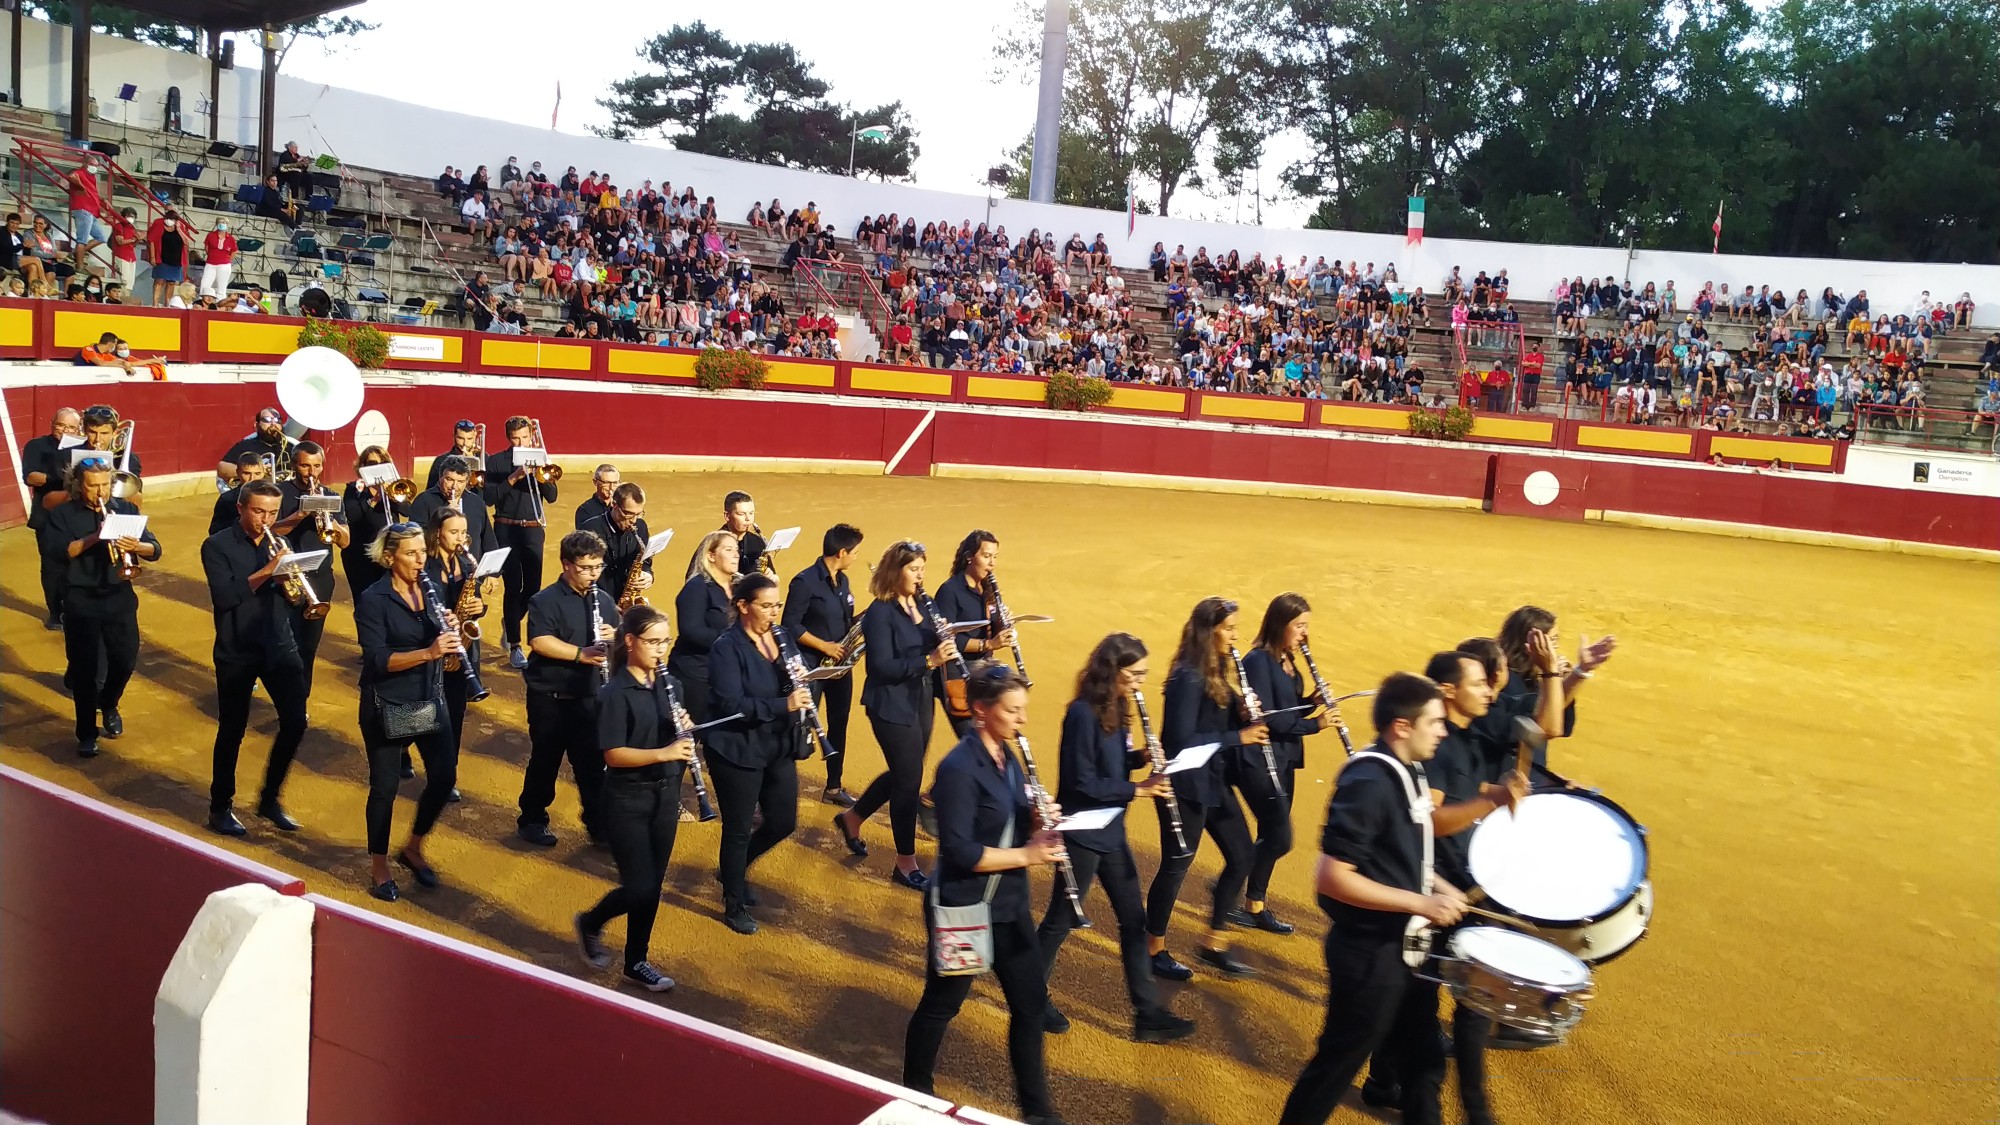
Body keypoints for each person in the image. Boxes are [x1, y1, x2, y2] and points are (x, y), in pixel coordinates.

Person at [1277, 672, 1467, 1125]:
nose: (1443, 731)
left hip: (1404, 949)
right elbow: (1332, 878)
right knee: (1338, 1063)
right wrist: (1422, 904)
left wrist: (1440, 888)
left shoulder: (1410, 770)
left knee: (1424, 1059)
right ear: (1402, 727)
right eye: (1435, 722)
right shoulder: (1370, 781)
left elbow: (1402, 855)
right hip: (1370, 956)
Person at [902, 663, 1068, 1125]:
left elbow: (1007, 824)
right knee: (942, 1005)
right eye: (1012, 710)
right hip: (965, 908)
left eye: (1022, 709)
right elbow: (962, 852)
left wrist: (1037, 823)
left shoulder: (1008, 757)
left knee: (1030, 1005)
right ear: (980, 710)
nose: (1022, 719)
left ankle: (1038, 1112)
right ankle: (914, 1093)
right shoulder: (958, 769)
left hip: (1009, 907)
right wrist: (1030, 855)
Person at [1035, 633, 1197, 1043]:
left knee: (1133, 921)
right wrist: (1138, 789)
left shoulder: (1120, 706)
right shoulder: (1081, 714)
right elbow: (1082, 781)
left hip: (1110, 830)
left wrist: (1139, 757)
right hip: (1082, 833)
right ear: (1112, 670)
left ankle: (1148, 1014)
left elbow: (1112, 761)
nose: (1140, 682)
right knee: (1060, 921)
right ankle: (1031, 998)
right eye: (1135, 674)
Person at [574, 603, 695, 993]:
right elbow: (613, 755)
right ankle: (591, 922)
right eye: (653, 642)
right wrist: (665, 753)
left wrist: (685, 731)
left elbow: (673, 738)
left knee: (653, 886)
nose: (661, 649)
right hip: (627, 801)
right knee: (640, 886)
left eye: (666, 641)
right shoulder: (614, 693)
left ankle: (636, 961)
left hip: (665, 796)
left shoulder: (671, 686)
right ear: (630, 641)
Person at [1143, 596, 1265, 981]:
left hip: (1212, 780)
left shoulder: (1217, 667)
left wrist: (1241, 711)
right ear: (1208, 631)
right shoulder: (1188, 676)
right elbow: (1180, 742)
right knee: (1176, 865)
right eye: (1229, 629)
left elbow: (1214, 719)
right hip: (1183, 785)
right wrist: (1237, 736)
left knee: (1243, 856)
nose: (1235, 636)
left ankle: (1213, 943)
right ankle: (1153, 949)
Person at [833, 540, 958, 890]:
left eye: (922, 569)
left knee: (907, 772)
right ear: (894, 571)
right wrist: (929, 660)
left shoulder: (924, 603)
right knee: (909, 781)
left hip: (920, 699)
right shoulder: (880, 613)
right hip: (889, 704)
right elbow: (881, 667)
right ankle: (905, 863)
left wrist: (945, 638)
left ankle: (853, 817)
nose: (920, 576)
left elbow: (932, 646)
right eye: (913, 569)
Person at [354, 522, 462, 902]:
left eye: (423, 552)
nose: (421, 561)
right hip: (390, 705)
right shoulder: (373, 600)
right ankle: (379, 865)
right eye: (411, 554)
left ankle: (413, 847)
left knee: (444, 777)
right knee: (385, 788)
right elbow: (378, 660)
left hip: (429, 700)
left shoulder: (431, 588)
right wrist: (429, 652)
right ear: (389, 558)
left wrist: (455, 626)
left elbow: (442, 638)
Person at [199, 480, 310, 836]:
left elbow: (294, 598)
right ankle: (220, 808)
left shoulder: (280, 543)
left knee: (296, 722)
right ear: (241, 509)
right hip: (237, 650)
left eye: (273, 513)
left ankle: (269, 799)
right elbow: (225, 597)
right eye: (259, 511)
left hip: (278, 645)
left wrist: (292, 584)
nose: (266, 519)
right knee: (232, 730)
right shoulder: (216, 546)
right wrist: (269, 570)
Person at [706, 573, 810, 934]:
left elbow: (797, 674)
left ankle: (731, 871)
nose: (773, 612)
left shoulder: (782, 637)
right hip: (737, 750)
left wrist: (804, 678)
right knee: (737, 830)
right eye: (766, 606)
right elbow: (731, 704)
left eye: (776, 605)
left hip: (776, 745)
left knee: (783, 822)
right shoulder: (726, 648)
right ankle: (733, 903)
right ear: (743, 606)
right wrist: (784, 704)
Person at [45, 457, 161, 758]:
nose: (101, 492)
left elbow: (154, 549)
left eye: (105, 484)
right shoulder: (63, 515)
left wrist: (136, 547)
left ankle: (109, 702)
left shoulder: (126, 510)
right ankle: (86, 733)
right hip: (81, 600)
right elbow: (61, 552)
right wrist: (97, 536)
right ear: (77, 485)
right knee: (85, 670)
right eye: (93, 485)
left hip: (119, 596)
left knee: (125, 661)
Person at [516, 531, 618, 847]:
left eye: (598, 566)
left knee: (592, 765)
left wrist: (614, 637)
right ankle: (532, 820)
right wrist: (581, 654)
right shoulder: (544, 600)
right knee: (545, 761)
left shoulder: (604, 600)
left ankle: (599, 826)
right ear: (567, 565)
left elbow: (616, 643)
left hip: (588, 697)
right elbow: (539, 641)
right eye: (586, 567)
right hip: (551, 699)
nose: (593, 574)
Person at [1237, 593, 1327, 935]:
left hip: (1285, 757)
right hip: (1261, 760)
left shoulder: (1286, 658)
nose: (1305, 633)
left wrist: (1310, 703)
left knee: (1271, 833)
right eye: (1299, 625)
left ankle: (1253, 905)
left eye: (1306, 626)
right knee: (1280, 837)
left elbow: (1288, 706)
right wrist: (1316, 724)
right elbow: (1271, 717)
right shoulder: (1258, 661)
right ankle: (1233, 880)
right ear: (1279, 624)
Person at [782, 523, 864, 805]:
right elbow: (790, 625)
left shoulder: (843, 581)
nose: (856, 557)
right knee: (799, 726)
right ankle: (777, 788)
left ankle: (833, 787)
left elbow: (845, 622)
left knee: (839, 724)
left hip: (839, 668)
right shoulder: (804, 582)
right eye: (854, 552)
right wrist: (824, 646)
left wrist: (865, 618)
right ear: (842, 552)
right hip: (812, 668)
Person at [424, 505, 490, 800]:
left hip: (460, 648)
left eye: (464, 532)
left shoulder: (466, 564)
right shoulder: (424, 566)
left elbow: (474, 602)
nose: (461, 538)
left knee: (454, 714)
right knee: (423, 710)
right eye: (454, 532)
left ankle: (446, 775)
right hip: (431, 647)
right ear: (438, 533)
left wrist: (479, 607)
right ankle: (402, 751)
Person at [484, 416, 559, 669]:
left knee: (533, 588)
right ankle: (515, 644)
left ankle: (511, 621)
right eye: (516, 438)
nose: (521, 442)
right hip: (506, 529)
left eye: (525, 437)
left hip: (533, 530)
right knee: (513, 586)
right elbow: (489, 498)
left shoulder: (540, 459)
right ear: (509, 438)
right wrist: (514, 477)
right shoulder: (496, 461)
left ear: (531, 436)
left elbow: (552, 496)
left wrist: (540, 476)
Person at [275, 442, 348, 696]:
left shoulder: (331, 496)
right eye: (305, 466)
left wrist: (329, 520)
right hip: (286, 577)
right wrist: (301, 514)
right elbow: (271, 532)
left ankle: (300, 699)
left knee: (308, 646)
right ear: (294, 465)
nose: (311, 472)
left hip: (320, 579)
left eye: (317, 466)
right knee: (285, 643)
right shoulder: (279, 493)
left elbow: (345, 541)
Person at [930, 530, 1017, 739]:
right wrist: (989, 644)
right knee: (977, 741)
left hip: (983, 673)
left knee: (991, 738)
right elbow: (948, 638)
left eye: (995, 557)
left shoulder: (987, 588)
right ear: (969, 557)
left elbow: (990, 628)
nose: (992, 563)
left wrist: (1003, 626)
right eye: (986, 556)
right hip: (958, 675)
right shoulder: (950, 591)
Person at [667, 530, 738, 723]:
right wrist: (732, 639)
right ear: (711, 555)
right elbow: (691, 631)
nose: (736, 555)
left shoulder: (739, 586)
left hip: (725, 673)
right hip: (696, 676)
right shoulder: (696, 588)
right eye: (729, 550)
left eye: (737, 550)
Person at [22, 406, 82, 630]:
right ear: (52, 424)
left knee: (80, 564)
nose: (65, 430)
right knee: (52, 567)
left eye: (71, 427)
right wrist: (62, 477)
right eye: (60, 425)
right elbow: (31, 477)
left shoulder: (84, 447)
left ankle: (77, 610)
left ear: (78, 429)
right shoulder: (37, 445)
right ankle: (56, 613)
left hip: (79, 515)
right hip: (47, 516)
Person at [340, 446, 413, 595]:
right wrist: (374, 500)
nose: (378, 467)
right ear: (362, 466)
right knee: (365, 597)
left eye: (383, 463)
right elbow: (353, 517)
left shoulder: (393, 486)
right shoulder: (355, 489)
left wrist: (393, 495)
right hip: (362, 556)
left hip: (388, 551)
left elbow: (406, 511)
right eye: (372, 463)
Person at [578, 481, 652, 606]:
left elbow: (645, 561)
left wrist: (647, 574)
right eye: (628, 513)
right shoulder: (590, 529)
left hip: (626, 601)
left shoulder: (640, 526)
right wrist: (608, 605)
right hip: (596, 601)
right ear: (614, 505)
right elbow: (582, 572)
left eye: (638, 514)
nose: (633, 520)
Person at [411, 455, 495, 561]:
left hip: (470, 567)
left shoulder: (476, 502)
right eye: (449, 480)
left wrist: (493, 568)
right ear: (440, 477)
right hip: (436, 566)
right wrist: (444, 517)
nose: (454, 486)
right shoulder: (423, 501)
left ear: (467, 481)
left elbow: (488, 540)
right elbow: (416, 539)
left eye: (460, 481)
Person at [217, 407, 294, 489]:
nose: (273, 424)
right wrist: (258, 470)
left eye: (277, 420)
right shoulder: (246, 445)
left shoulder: (290, 446)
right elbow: (222, 468)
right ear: (256, 425)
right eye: (267, 420)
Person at [210, 452, 273, 536]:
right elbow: (215, 531)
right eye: (246, 473)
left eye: (257, 474)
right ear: (238, 472)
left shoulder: (273, 497)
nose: (252, 479)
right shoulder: (227, 499)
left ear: (263, 473)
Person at [424, 420, 482, 491]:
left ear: (475, 437)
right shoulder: (441, 460)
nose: (465, 443)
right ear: (454, 436)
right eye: (460, 438)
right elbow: (430, 491)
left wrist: (472, 463)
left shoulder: (484, 458)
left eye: (469, 439)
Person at [575, 463, 619, 529]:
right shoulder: (585, 510)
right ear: (595, 482)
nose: (611, 487)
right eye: (606, 482)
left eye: (615, 483)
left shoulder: (622, 507)